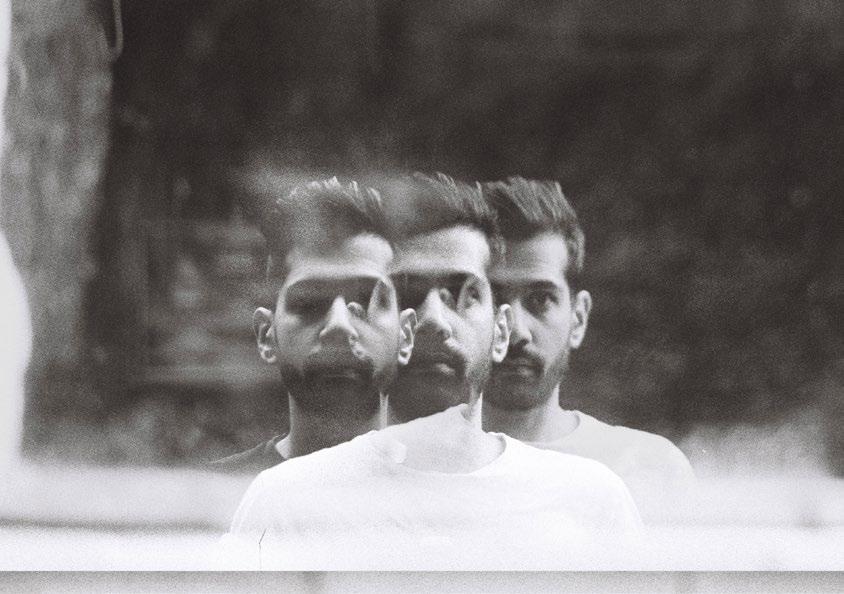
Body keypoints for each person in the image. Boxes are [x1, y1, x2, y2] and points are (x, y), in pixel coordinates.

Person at [227, 174, 641, 570]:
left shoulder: (589, 500)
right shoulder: (285, 504)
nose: (434, 321)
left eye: (462, 295)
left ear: (500, 331)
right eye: (407, 292)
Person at [482, 177, 695, 522]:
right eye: (494, 300)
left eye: (540, 300)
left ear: (578, 318)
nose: (517, 330)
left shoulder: (647, 470)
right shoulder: (413, 465)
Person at [210, 178, 415, 473]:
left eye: (365, 300)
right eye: (309, 302)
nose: (339, 326)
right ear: (266, 335)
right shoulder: (222, 490)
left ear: (406, 335)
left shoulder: (449, 492)